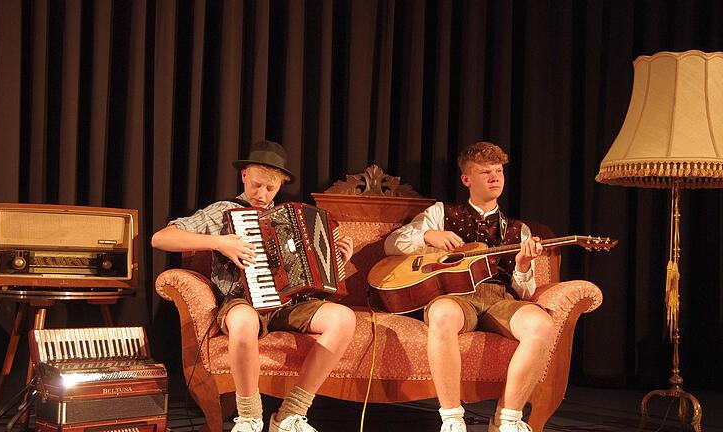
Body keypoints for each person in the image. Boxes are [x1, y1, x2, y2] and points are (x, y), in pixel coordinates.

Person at [152, 140, 356, 432]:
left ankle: (289, 416)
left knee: (343, 319)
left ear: (281, 185)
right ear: (244, 176)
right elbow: (161, 238)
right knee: (244, 323)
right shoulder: (224, 210)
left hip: (288, 304)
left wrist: (339, 260)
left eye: (270, 189)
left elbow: (314, 279)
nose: (261, 195)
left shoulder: (291, 218)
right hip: (241, 300)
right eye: (256, 185)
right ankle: (249, 417)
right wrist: (218, 242)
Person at [383, 141, 554, 432]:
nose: (494, 178)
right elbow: (391, 245)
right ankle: (452, 418)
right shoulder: (441, 213)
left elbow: (524, 293)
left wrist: (524, 264)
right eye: (485, 172)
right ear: (466, 179)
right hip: (455, 295)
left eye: (498, 171)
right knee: (442, 316)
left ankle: (507, 420)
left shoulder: (518, 230)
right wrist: (430, 237)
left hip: (499, 298)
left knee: (541, 325)